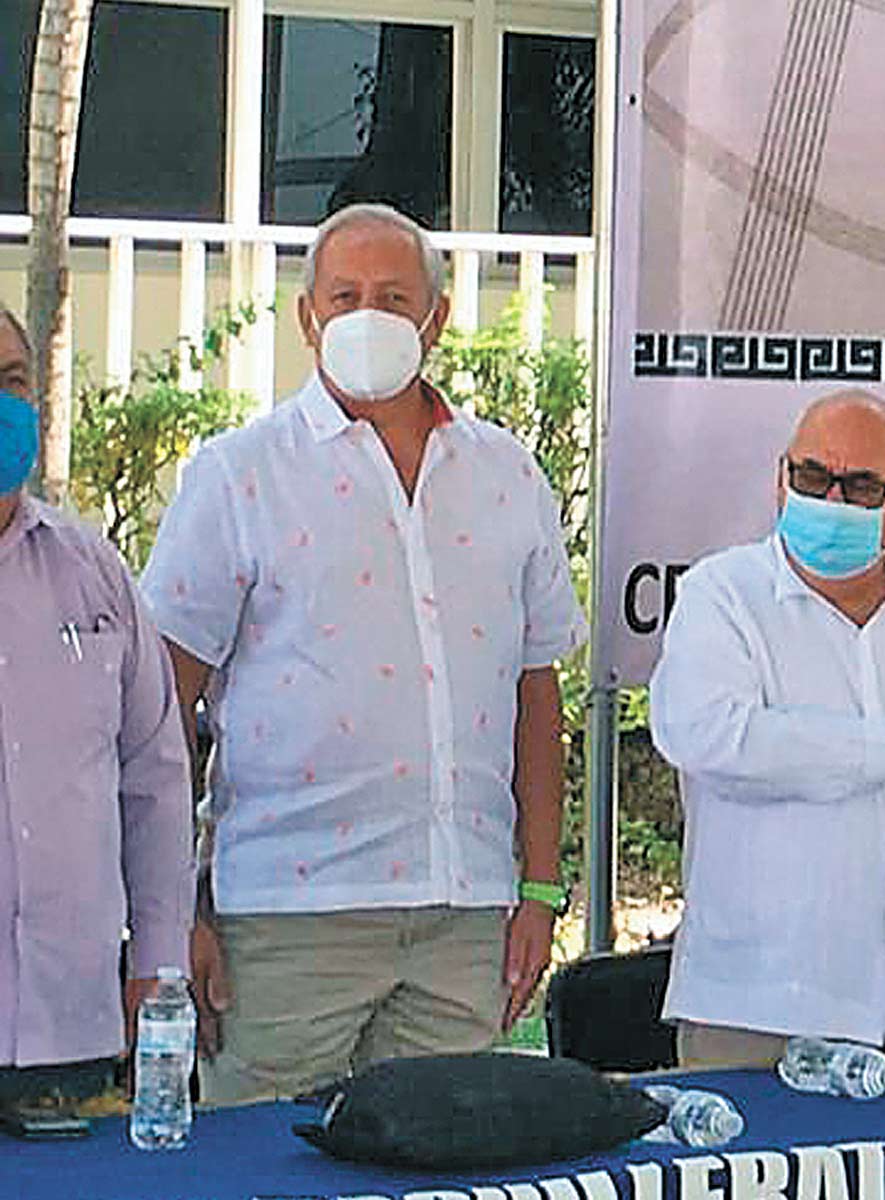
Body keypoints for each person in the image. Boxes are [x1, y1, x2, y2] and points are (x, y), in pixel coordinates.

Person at [141, 204, 584, 1103]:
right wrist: (171, 913)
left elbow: (537, 700)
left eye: (393, 297)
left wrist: (540, 890)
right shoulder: (238, 477)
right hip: (285, 920)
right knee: (263, 1162)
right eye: (344, 297)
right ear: (307, 318)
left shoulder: (508, 475)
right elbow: (158, 712)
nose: (367, 316)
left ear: (437, 317)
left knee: (448, 1157)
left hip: (465, 915)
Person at [649, 393, 885, 1065]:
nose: (831, 500)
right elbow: (711, 738)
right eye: (813, 476)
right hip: (755, 1017)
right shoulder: (723, 595)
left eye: (861, 486)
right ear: (780, 477)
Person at [0, 311, 194, 1113]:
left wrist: (159, 963)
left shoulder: (93, 571)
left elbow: (156, 780)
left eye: (11, 382)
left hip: (73, 1030)